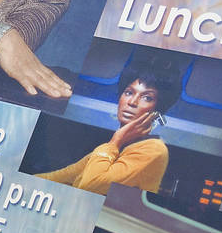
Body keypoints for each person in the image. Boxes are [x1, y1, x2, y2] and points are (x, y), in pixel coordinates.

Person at [36, 57, 181, 195]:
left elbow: (89, 187)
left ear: (158, 110)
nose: (132, 102)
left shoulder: (153, 150)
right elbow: (63, 175)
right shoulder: (117, 146)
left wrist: (115, 141)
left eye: (147, 97)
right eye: (129, 92)